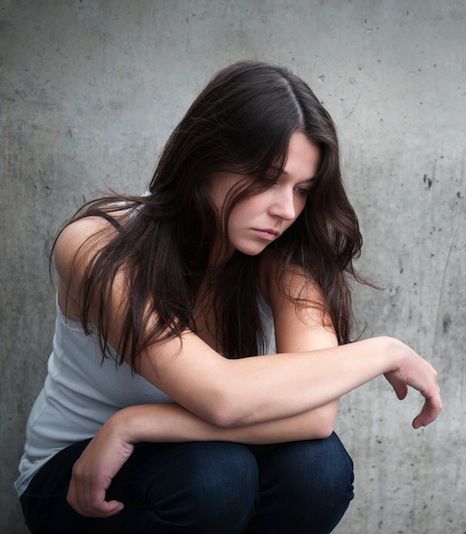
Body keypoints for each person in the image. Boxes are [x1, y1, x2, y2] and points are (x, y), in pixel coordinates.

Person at [15, 60, 442, 534]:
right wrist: (385, 351)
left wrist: (137, 423)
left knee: (318, 469)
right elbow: (221, 397)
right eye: (265, 179)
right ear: (205, 158)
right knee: (216, 475)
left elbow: (317, 414)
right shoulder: (99, 244)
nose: (285, 210)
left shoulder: (286, 254)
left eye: (301, 190)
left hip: (197, 460)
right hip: (80, 477)